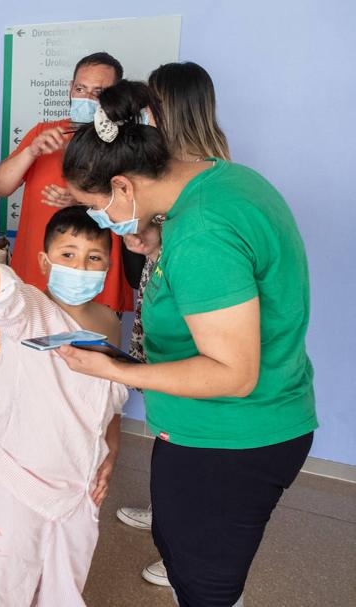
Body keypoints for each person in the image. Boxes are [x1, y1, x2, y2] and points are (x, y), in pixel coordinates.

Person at [59, 91, 316, 607]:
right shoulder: (222, 182)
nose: (99, 220)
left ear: (123, 185)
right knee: (186, 558)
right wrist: (158, 244)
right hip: (237, 425)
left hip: (230, 438)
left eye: (95, 207)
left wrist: (114, 371)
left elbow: (232, 373)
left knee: (203, 587)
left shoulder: (201, 232)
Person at [0, 206, 127, 605]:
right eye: (68, 254)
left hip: (78, 483)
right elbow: (3, 290)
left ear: (108, 266)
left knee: (65, 585)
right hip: (18, 478)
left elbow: (111, 394)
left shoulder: (109, 322)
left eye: (94, 257)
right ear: (44, 261)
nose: (80, 266)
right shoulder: (32, 311)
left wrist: (111, 450)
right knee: (5, 584)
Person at [104, 67, 231, 589]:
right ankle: (167, 512)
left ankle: (189, 551)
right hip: (160, 295)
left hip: (195, 325)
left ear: (168, 110)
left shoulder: (206, 185)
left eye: (148, 108)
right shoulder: (167, 170)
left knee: (196, 436)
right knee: (168, 419)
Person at [0, 51, 133, 314]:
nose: (86, 98)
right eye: (80, 89)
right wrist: (30, 151)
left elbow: (138, 211)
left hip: (93, 285)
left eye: (98, 92)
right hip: (34, 279)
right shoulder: (44, 132)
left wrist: (85, 201)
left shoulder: (127, 142)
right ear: (70, 88)